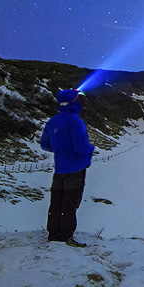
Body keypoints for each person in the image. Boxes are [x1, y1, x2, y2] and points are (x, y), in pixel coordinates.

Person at [40, 88, 94, 247]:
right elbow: (81, 147)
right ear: (74, 101)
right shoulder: (75, 121)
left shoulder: (52, 121)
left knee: (56, 201)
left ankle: (53, 234)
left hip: (59, 168)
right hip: (76, 168)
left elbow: (45, 144)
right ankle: (66, 237)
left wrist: (60, 150)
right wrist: (90, 149)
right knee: (70, 203)